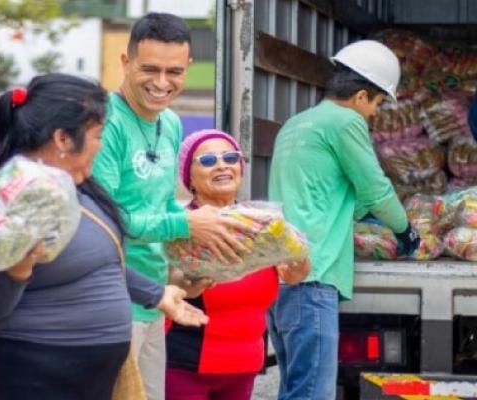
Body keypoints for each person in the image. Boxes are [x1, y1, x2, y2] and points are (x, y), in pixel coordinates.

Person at [0, 73, 208, 400]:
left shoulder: (80, 190)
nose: (100, 144)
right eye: (96, 135)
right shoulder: (6, 199)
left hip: (96, 373)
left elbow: (103, 264)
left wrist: (157, 295)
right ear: (63, 139)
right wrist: (17, 269)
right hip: (35, 371)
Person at [91, 12, 249, 400]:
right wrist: (189, 224)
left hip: (154, 300)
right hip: (111, 301)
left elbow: (161, 207)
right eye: (150, 69)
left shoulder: (172, 124)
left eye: (174, 72)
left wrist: (186, 268)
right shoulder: (105, 125)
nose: (162, 83)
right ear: (125, 62)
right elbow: (104, 222)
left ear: (188, 68)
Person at [267, 40, 420, 399]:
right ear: (362, 96)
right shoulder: (345, 121)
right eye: (378, 104)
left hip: (281, 278)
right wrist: (404, 229)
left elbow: (328, 193)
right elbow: (376, 188)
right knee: (312, 394)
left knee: (295, 388)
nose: (373, 115)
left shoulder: (298, 123)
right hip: (312, 275)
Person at [164, 129, 310, 400]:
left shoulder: (259, 222)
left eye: (230, 158)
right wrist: (192, 281)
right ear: (190, 178)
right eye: (208, 161)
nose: (222, 165)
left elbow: (292, 276)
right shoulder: (183, 224)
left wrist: (299, 260)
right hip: (186, 364)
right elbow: (173, 285)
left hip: (244, 364)